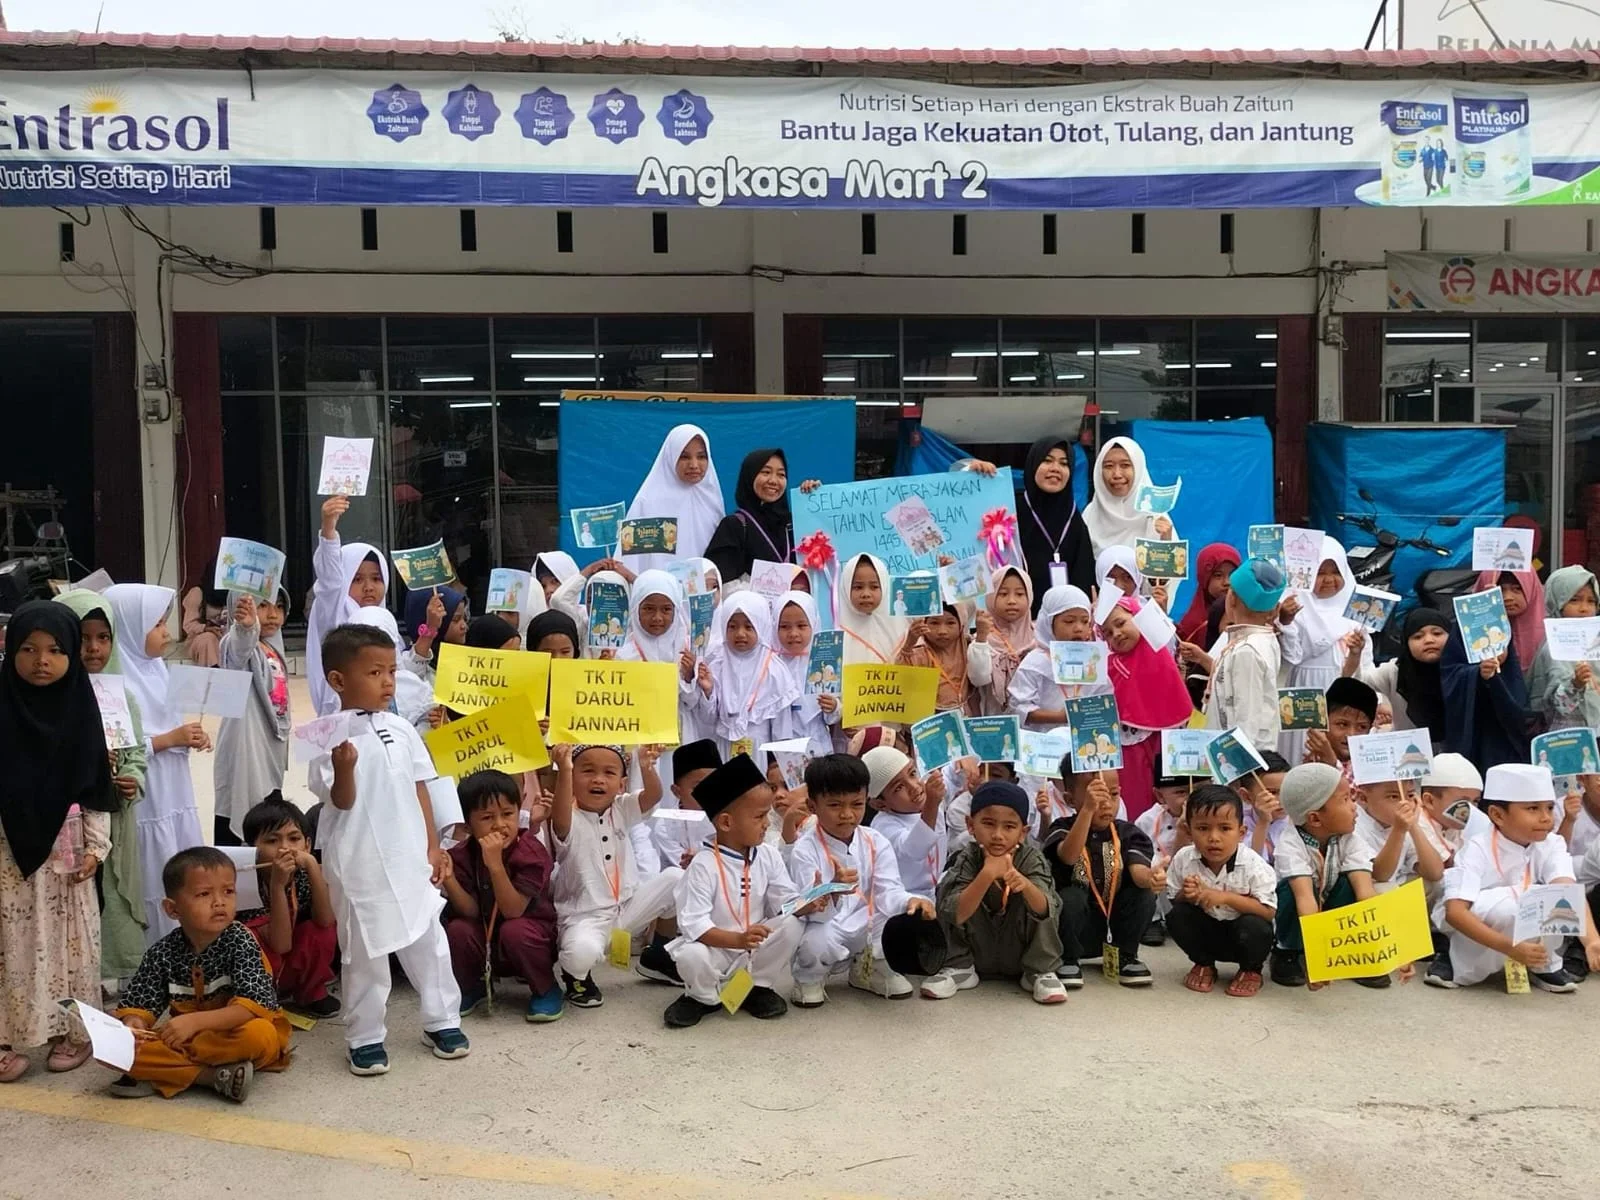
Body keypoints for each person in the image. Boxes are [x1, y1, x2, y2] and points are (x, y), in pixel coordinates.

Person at [308, 623, 469, 1076]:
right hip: (358, 862)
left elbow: (421, 787)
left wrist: (433, 846)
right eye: (375, 672)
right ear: (338, 680)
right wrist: (343, 768)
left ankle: (441, 1020)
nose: (387, 682)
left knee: (429, 941)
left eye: (392, 672)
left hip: (409, 855)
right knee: (365, 954)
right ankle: (365, 1036)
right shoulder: (325, 735)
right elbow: (340, 801)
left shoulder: (401, 727)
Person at [0, 602, 118, 1083]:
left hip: (65, 858)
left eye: (54, 650)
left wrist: (96, 848)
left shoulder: (80, 713)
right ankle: (5, 1038)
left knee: (71, 945)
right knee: (9, 944)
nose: (41, 661)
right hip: (6, 856)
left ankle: (74, 1033)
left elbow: (95, 788)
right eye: (28, 649)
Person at [106, 847, 292, 1102]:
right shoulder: (162, 952)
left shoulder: (241, 940)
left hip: (232, 1033)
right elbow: (139, 1005)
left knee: (260, 1034)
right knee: (112, 1048)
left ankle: (169, 1071)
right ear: (173, 909)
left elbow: (251, 1007)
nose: (219, 902)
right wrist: (134, 1025)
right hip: (186, 1036)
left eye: (228, 891)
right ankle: (211, 1076)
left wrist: (194, 1023)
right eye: (204, 894)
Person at [664, 754, 812, 1028]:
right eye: (759, 816)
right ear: (726, 823)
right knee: (691, 955)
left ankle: (756, 987)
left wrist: (810, 902)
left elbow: (785, 901)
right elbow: (694, 926)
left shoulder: (767, 854)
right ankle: (702, 997)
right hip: (716, 948)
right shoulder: (703, 865)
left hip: (753, 947)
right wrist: (737, 940)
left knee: (792, 924)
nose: (767, 823)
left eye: (767, 814)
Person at [1429, 764, 1600, 991]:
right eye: (1533, 809)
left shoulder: (1552, 843)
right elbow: (1455, 913)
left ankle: (1543, 964)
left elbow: (1567, 890)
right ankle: (1455, 959)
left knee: (1553, 899)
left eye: (1549, 808)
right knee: (1508, 906)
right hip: (1475, 926)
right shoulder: (1476, 848)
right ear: (1498, 815)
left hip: (1518, 918)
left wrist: (1592, 940)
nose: (1546, 818)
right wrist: (1510, 947)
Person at [104, 584, 208, 943]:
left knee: (177, 859)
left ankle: (185, 940)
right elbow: (122, 747)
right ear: (130, 629)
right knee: (152, 866)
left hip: (173, 788)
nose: (166, 633)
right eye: (157, 624)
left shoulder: (157, 669)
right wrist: (171, 739)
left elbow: (170, 725)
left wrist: (190, 736)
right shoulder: (116, 682)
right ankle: (154, 947)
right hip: (146, 795)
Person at [55, 588, 148, 981]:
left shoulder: (122, 698)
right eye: (82, 637)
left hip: (114, 820)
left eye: (103, 637)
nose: (94, 648)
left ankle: (108, 980)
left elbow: (136, 753)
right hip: (64, 823)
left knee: (111, 899)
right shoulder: (49, 698)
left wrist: (132, 779)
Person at [786, 754, 928, 1006]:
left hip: (866, 921)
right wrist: (832, 889)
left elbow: (889, 890)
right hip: (827, 924)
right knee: (817, 942)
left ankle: (869, 968)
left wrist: (911, 901)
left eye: (856, 804)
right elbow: (805, 908)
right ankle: (809, 978)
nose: (847, 814)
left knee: (901, 916)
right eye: (835, 805)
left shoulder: (875, 840)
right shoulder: (804, 849)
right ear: (812, 806)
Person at [548, 743, 682, 1008]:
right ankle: (576, 978)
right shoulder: (567, 818)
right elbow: (560, 813)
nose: (598, 779)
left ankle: (658, 954)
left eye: (609, 773)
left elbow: (653, 795)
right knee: (580, 954)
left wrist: (646, 766)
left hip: (628, 908)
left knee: (676, 878)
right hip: (586, 918)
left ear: (621, 785)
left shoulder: (621, 808)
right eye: (588, 771)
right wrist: (563, 768)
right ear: (572, 779)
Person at [440, 770, 561, 1023]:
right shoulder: (462, 854)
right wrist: (449, 879)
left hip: (527, 942)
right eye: (487, 817)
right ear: (467, 824)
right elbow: (471, 911)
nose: (499, 824)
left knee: (514, 930)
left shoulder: (530, 852)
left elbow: (513, 911)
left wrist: (495, 866)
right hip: (486, 943)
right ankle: (473, 986)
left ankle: (546, 988)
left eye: (507, 814)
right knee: (458, 929)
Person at [936, 779, 1068, 1004]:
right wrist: (986, 874)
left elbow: (1046, 910)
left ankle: (1040, 971)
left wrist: (1024, 885)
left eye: (1009, 827)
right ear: (970, 825)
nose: (998, 835)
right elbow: (954, 913)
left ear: (1023, 832)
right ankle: (959, 967)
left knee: (1042, 897)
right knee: (948, 894)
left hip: (1019, 951)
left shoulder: (1031, 859)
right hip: (977, 951)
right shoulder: (966, 858)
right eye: (988, 824)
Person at [1043, 762, 1161, 988]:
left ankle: (1126, 956)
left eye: (1113, 794)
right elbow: (1068, 856)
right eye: (1095, 796)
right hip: (1075, 927)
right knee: (1071, 897)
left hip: (1115, 925)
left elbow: (1138, 873)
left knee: (1143, 893)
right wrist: (1087, 811)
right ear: (1070, 800)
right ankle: (1068, 959)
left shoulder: (1128, 833)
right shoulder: (1062, 828)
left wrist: (1152, 877)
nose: (1106, 803)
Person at [1269, 763, 1379, 989]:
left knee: (1352, 882)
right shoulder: (1289, 845)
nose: (1354, 807)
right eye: (1345, 800)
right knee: (1290, 891)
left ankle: (1350, 952)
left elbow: (1365, 894)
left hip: (1328, 909)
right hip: (1301, 913)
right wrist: (1317, 961)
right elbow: (1305, 900)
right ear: (1315, 819)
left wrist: (1389, 949)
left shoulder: (1351, 839)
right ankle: (1287, 951)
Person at [1164, 785, 1278, 997]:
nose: (1214, 837)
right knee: (1177, 915)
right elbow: (1173, 898)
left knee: (1256, 926)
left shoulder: (1254, 865)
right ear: (1189, 831)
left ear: (1241, 832)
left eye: (1225, 828)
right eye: (1203, 828)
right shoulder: (1184, 859)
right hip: (1208, 933)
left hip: (1243, 936)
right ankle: (1204, 963)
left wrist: (1225, 897)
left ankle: (1251, 970)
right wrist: (1188, 894)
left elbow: (1268, 912)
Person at [236, 796, 338, 1018]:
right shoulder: (244, 884)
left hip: (288, 964)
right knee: (255, 933)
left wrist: (312, 865)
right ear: (251, 849)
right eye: (272, 841)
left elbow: (326, 921)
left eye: (294, 839)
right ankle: (259, 998)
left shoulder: (304, 873)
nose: (285, 849)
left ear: (307, 844)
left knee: (320, 931)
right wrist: (277, 886)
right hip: (257, 969)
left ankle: (310, 992)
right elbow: (280, 945)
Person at [1278, 538, 1372, 764]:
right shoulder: (1294, 607)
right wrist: (1286, 622)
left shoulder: (1356, 610)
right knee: (1302, 749)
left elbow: (1366, 665)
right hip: (1303, 688)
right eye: (1320, 573)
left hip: (1341, 691)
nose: (1329, 580)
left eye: (1335, 572)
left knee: (1338, 751)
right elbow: (1291, 656)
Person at [1101, 595, 1191, 820]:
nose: (1116, 634)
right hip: (1131, 748)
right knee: (1137, 802)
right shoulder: (1109, 666)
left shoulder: (1160, 650)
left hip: (1167, 740)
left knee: (1173, 804)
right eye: (1108, 633)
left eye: (1121, 623)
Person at [213, 593, 291, 847]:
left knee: (269, 818)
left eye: (280, 607)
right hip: (246, 746)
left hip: (269, 749)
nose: (273, 614)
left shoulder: (273, 649)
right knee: (244, 812)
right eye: (263, 605)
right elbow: (239, 649)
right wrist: (246, 626)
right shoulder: (235, 646)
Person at [307, 495, 390, 716]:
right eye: (357, 579)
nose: (369, 587)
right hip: (341, 721)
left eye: (376, 579)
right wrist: (328, 529)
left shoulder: (385, 621)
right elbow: (331, 581)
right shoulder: (334, 613)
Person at [1204, 558, 1286, 754]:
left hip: (1240, 757)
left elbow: (1246, 718)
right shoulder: (1262, 638)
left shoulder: (1247, 650)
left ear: (1232, 598)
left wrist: (1235, 765)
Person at [705, 447, 821, 585]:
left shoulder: (792, 524)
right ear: (749, 476)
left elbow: (824, 558)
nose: (773, 481)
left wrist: (814, 501)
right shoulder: (734, 526)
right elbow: (718, 583)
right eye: (766, 472)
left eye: (781, 474)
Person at [701, 592, 794, 760]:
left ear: (761, 626)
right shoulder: (717, 665)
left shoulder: (773, 669)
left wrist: (779, 764)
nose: (740, 634)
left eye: (749, 627)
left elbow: (782, 729)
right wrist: (708, 692)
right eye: (732, 627)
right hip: (723, 749)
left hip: (760, 753)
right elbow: (708, 719)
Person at [622, 424, 725, 572]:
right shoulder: (647, 502)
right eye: (684, 457)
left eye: (701, 457)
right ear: (670, 457)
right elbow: (630, 560)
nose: (694, 465)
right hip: (660, 585)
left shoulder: (711, 498)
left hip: (705, 584)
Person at [1440, 618, 1533, 774]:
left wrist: (1496, 682)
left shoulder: (1512, 672)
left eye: (1499, 642)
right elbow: (1452, 685)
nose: (1493, 650)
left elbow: (1519, 712)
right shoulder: (1455, 667)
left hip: (1507, 750)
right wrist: (1477, 674)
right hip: (1475, 746)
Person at [1009, 585, 1110, 727]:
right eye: (1069, 621)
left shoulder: (1093, 659)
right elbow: (1018, 708)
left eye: (1084, 621)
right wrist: (1060, 717)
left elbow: (1106, 700)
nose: (1078, 628)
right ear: (1049, 623)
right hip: (1045, 738)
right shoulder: (1035, 662)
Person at [1015, 437, 1095, 612]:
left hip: (1065, 621)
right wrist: (974, 471)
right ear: (1033, 464)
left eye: (1064, 463)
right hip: (1017, 619)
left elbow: (1084, 576)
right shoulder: (1013, 511)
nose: (1055, 468)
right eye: (1047, 460)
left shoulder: (1073, 518)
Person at [864, 745, 947, 906]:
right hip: (906, 901)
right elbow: (915, 849)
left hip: (937, 889)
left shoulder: (930, 798)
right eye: (899, 787)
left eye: (913, 774)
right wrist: (931, 804)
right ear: (880, 804)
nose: (914, 786)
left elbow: (952, 780)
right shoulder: (882, 827)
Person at [1349, 607, 1448, 738]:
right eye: (1418, 636)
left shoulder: (1464, 672)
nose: (1429, 640)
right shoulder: (1395, 672)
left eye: (1437, 633)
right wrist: (1354, 655)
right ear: (1406, 643)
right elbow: (1354, 686)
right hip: (1409, 747)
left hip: (1463, 748)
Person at [1527, 566, 1600, 734]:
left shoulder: (1595, 643)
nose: (1584, 608)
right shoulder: (1554, 648)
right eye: (1574, 600)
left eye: (1591, 601)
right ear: (1556, 603)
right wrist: (1576, 684)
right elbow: (1558, 705)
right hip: (1570, 737)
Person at [1081, 436, 1178, 558]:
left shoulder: (1156, 518)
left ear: (1138, 469)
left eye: (1125, 465)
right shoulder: (1090, 516)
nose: (1117, 474)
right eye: (1109, 466)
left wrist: (1166, 542)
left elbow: (1174, 568)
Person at [770, 590, 839, 757]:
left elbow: (831, 717)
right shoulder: (771, 665)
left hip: (817, 743)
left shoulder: (823, 663)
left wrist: (834, 707)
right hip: (780, 748)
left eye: (801, 626)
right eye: (784, 626)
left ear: (813, 624)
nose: (793, 633)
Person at [897, 605, 993, 717]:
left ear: (961, 625)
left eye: (950, 623)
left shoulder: (969, 647)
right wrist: (908, 645)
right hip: (932, 719)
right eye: (934, 623)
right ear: (924, 624)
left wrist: (981, 637)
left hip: (969, 714)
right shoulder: (919, 653)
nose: (942, 631)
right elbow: (901, 683)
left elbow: (981, 676)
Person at [656, 740, 719, 871]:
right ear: (676, 791)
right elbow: (684, 865)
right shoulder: (665, 826)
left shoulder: (732, 815)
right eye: (699, 787)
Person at [836, 553, 907, 667]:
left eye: (874, 587)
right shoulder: (836, 639)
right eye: (858, 587)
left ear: (885, 587)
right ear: (846, 588)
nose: (866, 594)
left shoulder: (903, 629)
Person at [983, 567, 1037, 714]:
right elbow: (978, 677)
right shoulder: (983, 639)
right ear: (991, 596)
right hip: (994, 719)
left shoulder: (1039, 638)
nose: (1011, 601)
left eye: (1019, 594)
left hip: (1035, 722)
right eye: (1003, 594)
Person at [1303, 676, 1377, 779]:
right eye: (1342, 724)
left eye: (1362, 727)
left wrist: (1332, 763)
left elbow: (1351, 789)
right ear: (1323, 722)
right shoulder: (1309, 764)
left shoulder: (1373, 768)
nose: (1351, 734)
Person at [1476, 568, 1546, 674]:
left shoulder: (1551, 633)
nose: (1508, 597)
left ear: (1531, 588)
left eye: (1517, 589)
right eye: (1499, 590)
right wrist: (1480, 671)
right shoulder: (1468, 632)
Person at [402, 584, 468, 686]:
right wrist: (431, 628)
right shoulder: (410, 667)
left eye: (465, 618)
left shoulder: (466, 658)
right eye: (455, 619)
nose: (464, 626)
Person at [1177, 543, 1240, 646]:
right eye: (1218, 575)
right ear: (1204, 579)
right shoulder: (1194, 624)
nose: (1227, 582)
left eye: (1233, 574)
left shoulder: (1246, 616)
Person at [180, 561, 228, 668]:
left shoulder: (236, 594)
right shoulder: (198, 593)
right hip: (201, 638)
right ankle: (213, 673)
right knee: (208, 639)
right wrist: (206, 628)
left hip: (227, 637)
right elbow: (188, 625)